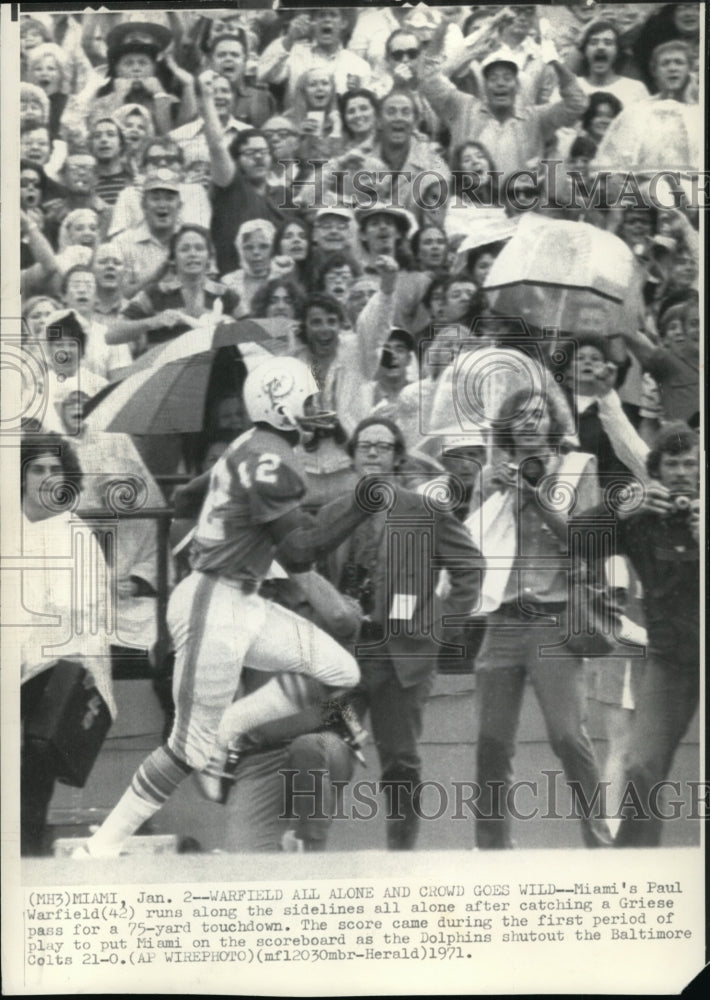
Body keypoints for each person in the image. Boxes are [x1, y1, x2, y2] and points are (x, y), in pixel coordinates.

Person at [77, 357, 380, 858]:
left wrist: (222, 531)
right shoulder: (270, 457)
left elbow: (190, 497)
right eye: (306, 402)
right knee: (185, 747)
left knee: (339, 669)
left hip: (241, 596)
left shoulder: (249, 445)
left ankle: (231, 729)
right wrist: (359, 504)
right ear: (279, 406)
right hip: (215, 600)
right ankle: (101, 847)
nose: (315, 412)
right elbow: (301, 549)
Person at [327, 416, 481, 848]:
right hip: (343, 651)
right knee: (324, 744)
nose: (373, 452)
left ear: (397, 456)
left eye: (383, 445)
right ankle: (307, 843)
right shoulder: (334, 510)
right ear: (352, 454)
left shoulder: (424, 509)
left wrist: (439, 624)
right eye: (365, 445)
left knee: (398, 759)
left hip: (401, 652)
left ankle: (402, 853)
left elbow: (469, 568)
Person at [471, 386, 614, 849]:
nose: (530, 422)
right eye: (520, 415)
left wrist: (535, 496)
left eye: (539, 414)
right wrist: (497, 499)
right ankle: (492, 846)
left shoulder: (579, 468)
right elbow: (471, 551)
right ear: (507, 427)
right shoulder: (489, 476)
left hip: (555, 619)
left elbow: (585, 541)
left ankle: (598, 840)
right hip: (502, 620)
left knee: (568, 737)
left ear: (553, 422)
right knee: (493, 741)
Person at [577, 424, 700, 846]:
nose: (682, 473)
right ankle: (635, 868)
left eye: (690, 464)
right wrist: (621, 507)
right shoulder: (642, 517)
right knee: (643, 766)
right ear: (658, 471)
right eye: (673, 464)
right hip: (671, 660)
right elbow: (576, 540)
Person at [19, 432, 116, 855]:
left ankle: (27, 851)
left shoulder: (78, 535)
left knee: (35, 769)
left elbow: (89, 614)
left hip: (55, 668)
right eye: (37, 469)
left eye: (55, 469)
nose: (46, 478)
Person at [109, 224, 240, 354]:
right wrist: (153, 322)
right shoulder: (154, 294)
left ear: (209, 257)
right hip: (165, 370)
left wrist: (231, 325)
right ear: (173, 259)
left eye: (199, 248)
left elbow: (253, 332)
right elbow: (112, 334)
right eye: (184, 249)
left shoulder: (225, 295)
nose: (192, 254)